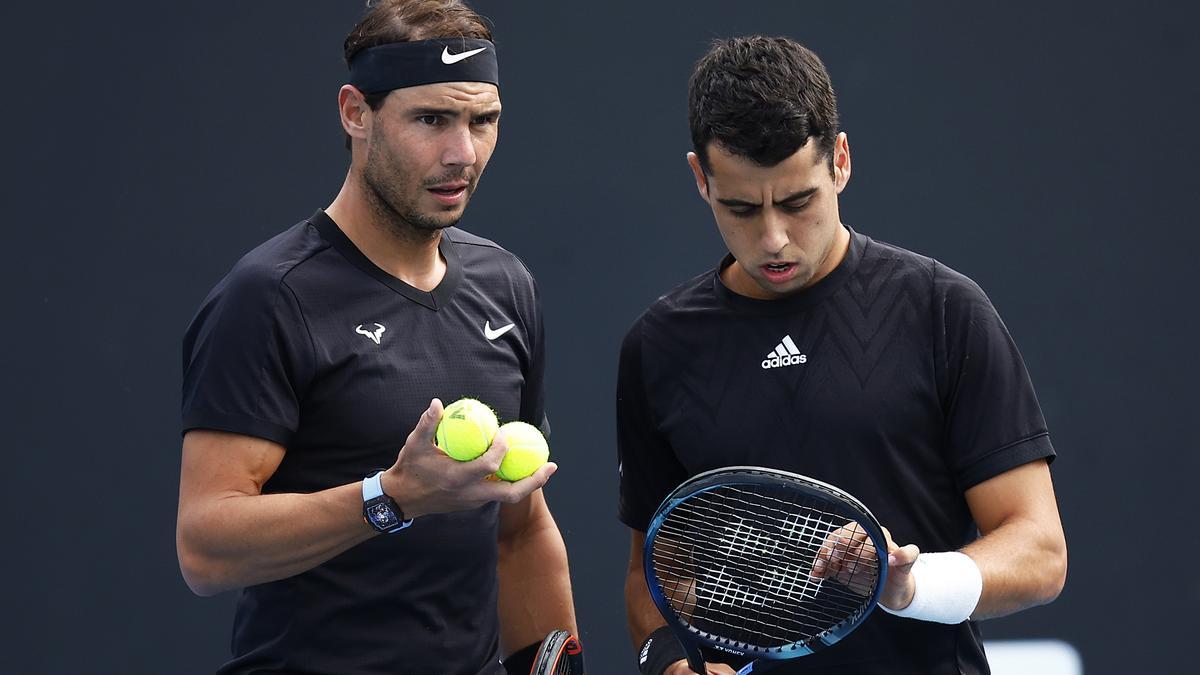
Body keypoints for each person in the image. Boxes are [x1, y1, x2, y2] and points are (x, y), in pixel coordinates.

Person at [619, 36, 1067, 675]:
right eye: (741, 208)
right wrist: (669, 660)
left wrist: (909, 585)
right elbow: (655, 571)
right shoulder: (658, 346)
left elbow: (1041, 550)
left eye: (797, 201)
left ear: (841, 162)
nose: (773, 238)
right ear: (700, 178)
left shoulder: (943, 310)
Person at [177, 2, 577, 673]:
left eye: (484, 121)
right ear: (355, 112)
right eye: (431, 120)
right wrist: (391, 496)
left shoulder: (506, 285)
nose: (463, 153)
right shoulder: (269, 296)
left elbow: (521, 527)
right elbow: (204, 548)